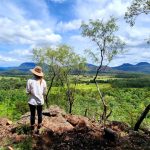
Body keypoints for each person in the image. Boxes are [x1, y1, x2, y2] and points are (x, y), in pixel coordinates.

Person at [26, 66, 47, 132]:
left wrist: (32, 92)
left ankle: (32, 129)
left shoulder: (30, 81)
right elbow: (44, 92)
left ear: (34, 73)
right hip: (40, 101)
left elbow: (27, 91)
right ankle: (39, 128)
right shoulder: (43, 81)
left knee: (32, 114)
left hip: (32, 101)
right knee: (40, 114)